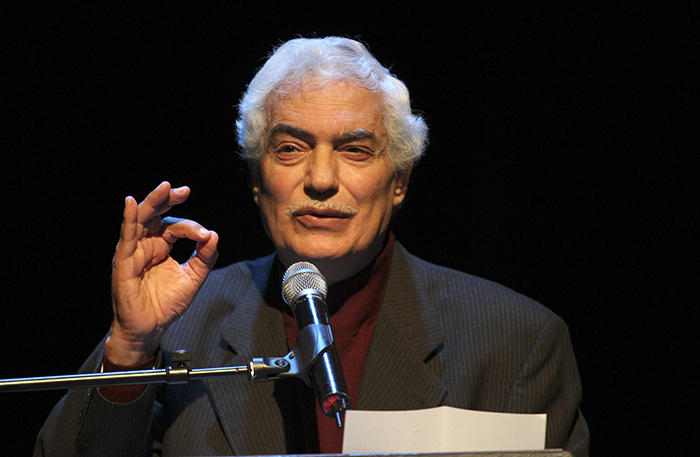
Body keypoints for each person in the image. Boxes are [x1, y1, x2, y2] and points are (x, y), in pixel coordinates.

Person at [34, 37, 589, 457]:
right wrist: (131, 347)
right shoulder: (178, 328)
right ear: (258, 181)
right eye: (291, 148)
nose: (321, 179)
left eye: (354, 150)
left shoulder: (517, 343)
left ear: (399, 181)